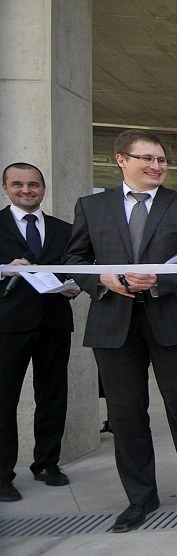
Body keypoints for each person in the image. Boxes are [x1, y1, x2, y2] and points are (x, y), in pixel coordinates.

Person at [63, 129, 177, 532]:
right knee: (126, 415)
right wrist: (102, 280)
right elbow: (74, 258)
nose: (156, 166)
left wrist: (157, 281)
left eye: (161, 160)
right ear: (121, 159)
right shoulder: (91, 206)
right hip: (112, 322)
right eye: (147, 159)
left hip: (172, 320)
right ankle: (140, 499)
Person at [0, 163, 79, 502]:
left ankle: (47, 463)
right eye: (17, 184)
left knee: (52, 397)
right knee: (4, 401)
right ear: (6, 188)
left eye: (33, 184)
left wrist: (77, 286)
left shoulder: (65, 229)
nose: (26, 190)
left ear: (43, 188)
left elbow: (79, 266)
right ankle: (3, 474)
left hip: (54, 323)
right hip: (8, 327)